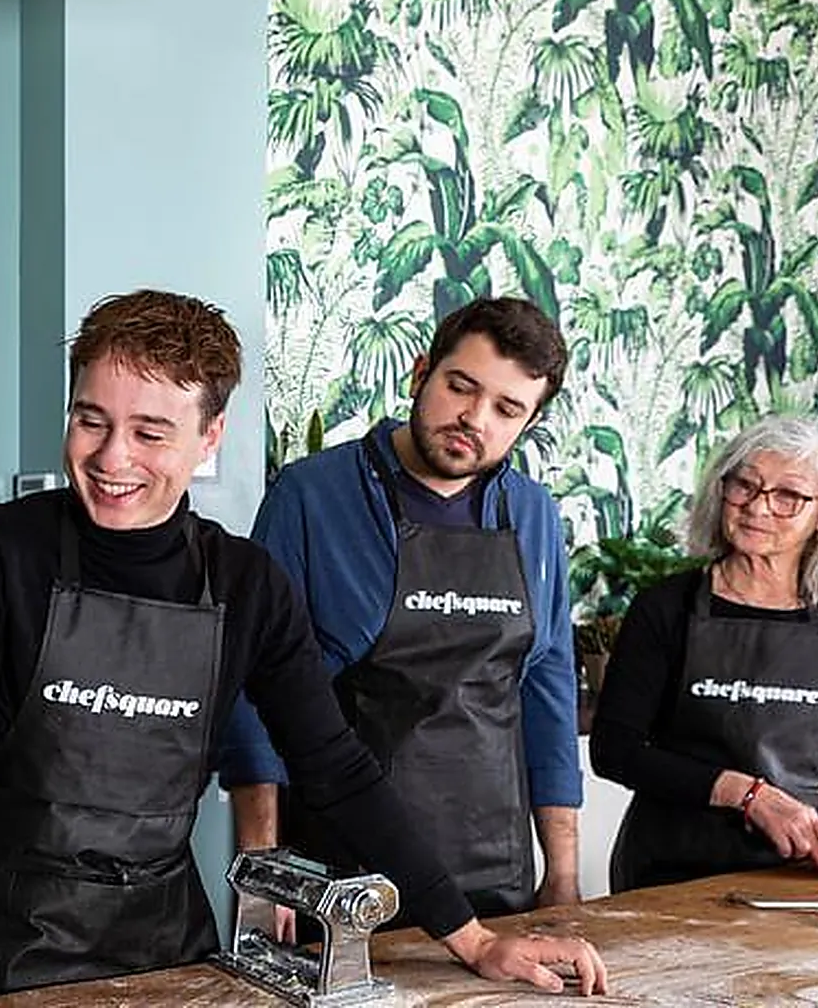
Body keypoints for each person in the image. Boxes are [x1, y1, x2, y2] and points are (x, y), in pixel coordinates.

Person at [0, 290, 604, 1006]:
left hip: (168, 947)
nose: (111, 456)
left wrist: (473, 940)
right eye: (89, 420)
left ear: (211, 435)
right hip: (2, 943)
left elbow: (336, 769)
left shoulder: (245, 584)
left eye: (151, 433)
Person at [219, 297, 583, 921]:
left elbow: (547, 687)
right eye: (460, 387)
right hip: (340, 864)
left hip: (493, 863)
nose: (474, 418)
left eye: (507, 409)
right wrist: (264, 866)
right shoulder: (311, 496)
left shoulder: (533, 514)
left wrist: (565, 871)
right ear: (421, 373)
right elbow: (253, 689)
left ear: (527, 423)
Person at [592, 415, 818, 891]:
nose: (758, 508)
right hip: (670, 873)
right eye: (746, 486)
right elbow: (614, 751)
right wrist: (747, 794)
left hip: (795, 878)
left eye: (788, 496)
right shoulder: (666, 608)